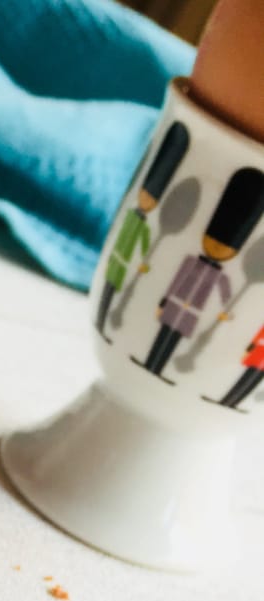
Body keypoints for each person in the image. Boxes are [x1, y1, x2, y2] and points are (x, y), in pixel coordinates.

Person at [133, 166, 264, 381]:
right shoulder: (191, 262)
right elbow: (178, 280)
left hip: (192, 312)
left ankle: (157, 370)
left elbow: (225, 291)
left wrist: (227, 309)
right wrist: (164, 301)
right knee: (163, 333)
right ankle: (150, 363)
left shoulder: (219, 275)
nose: (219, 249)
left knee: (173, 338)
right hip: (177, 303)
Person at [95, 122, 189, 341]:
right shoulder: (134, 216)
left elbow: (144, 238)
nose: (147, 200)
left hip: (126, 262)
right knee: (110, 290)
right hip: (119, 260)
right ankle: (102, 321)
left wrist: (144, 255)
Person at [206, 324, 264, 411]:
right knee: (246, 380)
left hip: (260, 358)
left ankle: (232, 402)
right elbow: (258, 337)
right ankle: (227, 401)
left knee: (252, 381)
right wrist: (249, 350)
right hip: (258, 357)